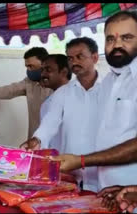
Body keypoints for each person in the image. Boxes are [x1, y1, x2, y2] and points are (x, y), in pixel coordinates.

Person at [50, 10, 137, 199]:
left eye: (127, 38)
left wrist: (81, 161)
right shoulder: (108, 82)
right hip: (110, 191)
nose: (117, 45)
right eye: (110, 39)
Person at [20, 37, 101, 192]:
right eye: (70, 58)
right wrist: (37, 139)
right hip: (70, 171)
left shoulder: (110, 88)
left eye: (80, 56)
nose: (74, 62)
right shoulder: (63, 93)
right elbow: (50, 121)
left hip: (102, 173)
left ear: (95, 57)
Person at [0, 47, 52, 138]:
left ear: (44, 64)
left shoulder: (57, 86)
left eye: (31, 66)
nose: (28, 70)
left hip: (54, 137)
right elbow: (9, 91)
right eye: (27, 66)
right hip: (35, 136)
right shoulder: (29, 82)